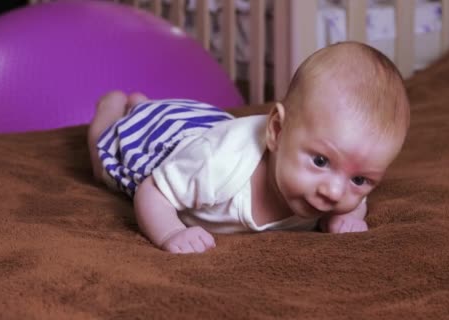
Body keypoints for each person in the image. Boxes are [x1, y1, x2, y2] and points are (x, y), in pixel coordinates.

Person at [87, 41, 410, 254]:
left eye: (360, 180)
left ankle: (142, 103)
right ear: (277, 131)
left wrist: (346, 217)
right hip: (170, 139)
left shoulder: (343, 175)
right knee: (107, 163)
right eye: (321, 161)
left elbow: (355, 200)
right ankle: (114, 109)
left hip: (213, 126)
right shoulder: (218, 165)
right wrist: (171, 233)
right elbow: (152, 189)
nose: (335, 193)